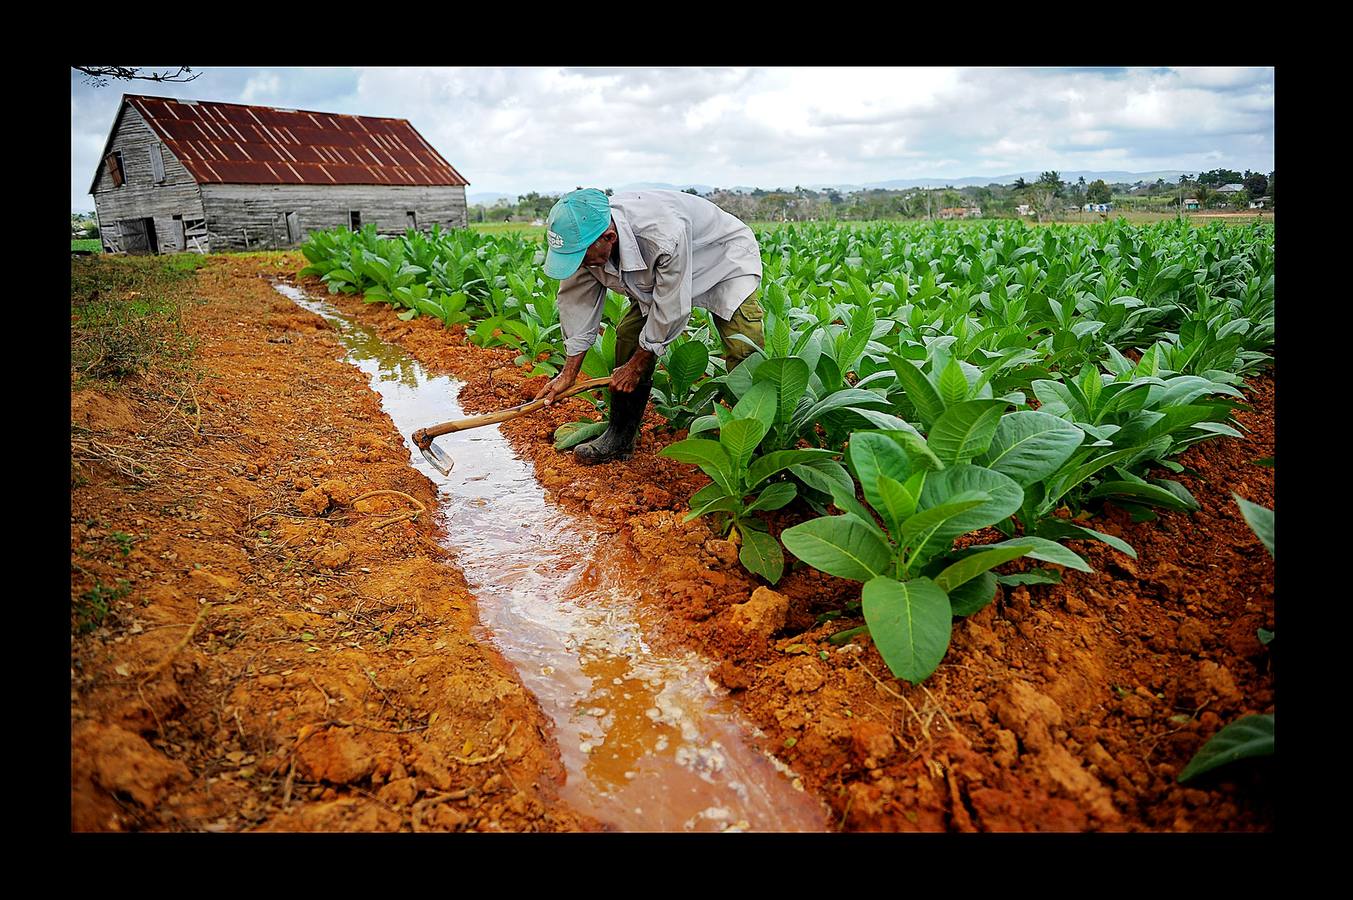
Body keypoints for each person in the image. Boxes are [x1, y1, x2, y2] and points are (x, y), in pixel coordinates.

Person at [533, 188, 766, 464]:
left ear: (609, 238)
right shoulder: (585, 245)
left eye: (581, 256)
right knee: (629, 335)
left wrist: (636, 365)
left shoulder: (662, 234)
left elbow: (671, 308)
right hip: (660, 274)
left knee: (744, 350)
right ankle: (619, 436)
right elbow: (576, 306)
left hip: (722, 260)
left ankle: (757, 452)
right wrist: (568, 373)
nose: (578, 263)